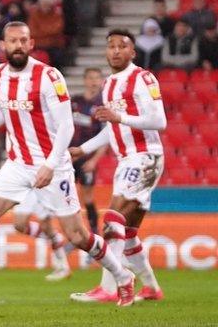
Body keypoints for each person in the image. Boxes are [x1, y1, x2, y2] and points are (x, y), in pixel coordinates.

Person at [0, 22, 135, 308]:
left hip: (53, 166)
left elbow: (66, 126)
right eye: (12, 41)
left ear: (31, 44)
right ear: (3, 46)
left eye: (24, 41)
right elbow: (0, 109)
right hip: (17, 165)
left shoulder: (48, 76)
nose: (18, 45)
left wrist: (51, 165)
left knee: (77, 236)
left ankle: (122, 277)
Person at [69, 29, 166, 304]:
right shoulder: (109, 84)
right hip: (127, 159)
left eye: (122, 46)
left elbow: (159, 121)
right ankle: (151, 288)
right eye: (110, 46)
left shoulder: (143, 78)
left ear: (132, 52)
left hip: (145, 156)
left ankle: (109, 287)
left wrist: (119, 116)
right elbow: (111, 128)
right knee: (130, 232)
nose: (115, 51)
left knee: (112, 217)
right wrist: (83, 149)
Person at [71, 68, 107, 235]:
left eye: (97, 78)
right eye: (91, 78)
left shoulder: (102, 107)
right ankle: (72, 231)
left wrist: (94, 161)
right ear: (85, 80)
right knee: (67, 197)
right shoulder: (74, 102)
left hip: (87, 159)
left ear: (101, 82)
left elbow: (106, 137)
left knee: (87, 197)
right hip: (70, 157)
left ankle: (94, 232)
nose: (94, 82)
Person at [12, 191, 71, 281]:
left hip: (41, 189)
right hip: (23, 187)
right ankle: (55, 238)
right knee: (19, 225)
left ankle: (63, 268)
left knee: (47, 227)